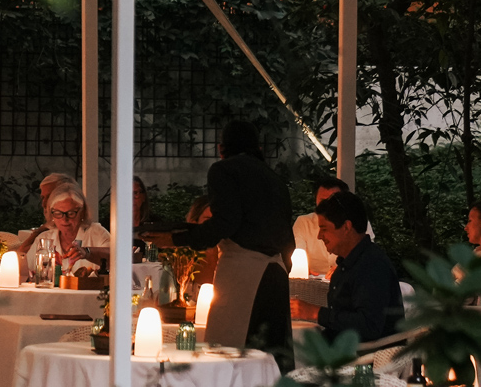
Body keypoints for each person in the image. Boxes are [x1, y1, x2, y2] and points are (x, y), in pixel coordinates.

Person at [172, 121, 295, 371]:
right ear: (258, 148)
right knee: (270, 360)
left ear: (221, 149)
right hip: (278, 275)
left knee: (228, 357)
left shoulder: (224, 171)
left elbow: (226, 222)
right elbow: (287, 240)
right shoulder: (275, 180)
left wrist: (180, 239)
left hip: (243, 275)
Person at [314, 190, 403, 344]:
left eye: (324, 229)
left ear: (346, 227)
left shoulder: (372, 265)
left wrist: (316, 313)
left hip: (369, 360)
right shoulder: (347, 264)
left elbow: (369, 326)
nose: (319, 236)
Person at [28, 182, 112, 276]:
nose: (64, 219)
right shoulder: (44, 238)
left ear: (82, 212)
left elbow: (118, 258)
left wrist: (87, 252)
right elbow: (26, 270)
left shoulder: (96, 232)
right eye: (58, 213)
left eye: (71, 213)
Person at [291, 174, 350, 277]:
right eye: (323, 201)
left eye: (333, 201)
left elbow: (363, 257)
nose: (328, 206)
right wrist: (302, 268)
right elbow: (297, 254)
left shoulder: (355, 224)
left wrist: (343, 269)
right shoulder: (304, 223)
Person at [14, 172, 80, 255]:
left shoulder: (87, 232)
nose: (43, 204)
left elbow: (22, 252)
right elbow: (22, 253)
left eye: (49, 197)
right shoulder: (47, 232)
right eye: (42, 198)